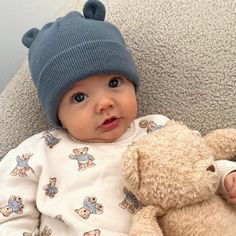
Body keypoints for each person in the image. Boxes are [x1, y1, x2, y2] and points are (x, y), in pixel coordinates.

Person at [0, 0, 236, 235]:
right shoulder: (39, 152)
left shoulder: (157, 129)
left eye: (114, 83)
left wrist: (227, 178)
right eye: (80, 97)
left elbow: (200, 165)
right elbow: (10, 214)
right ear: (56, 112)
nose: (104, 104)